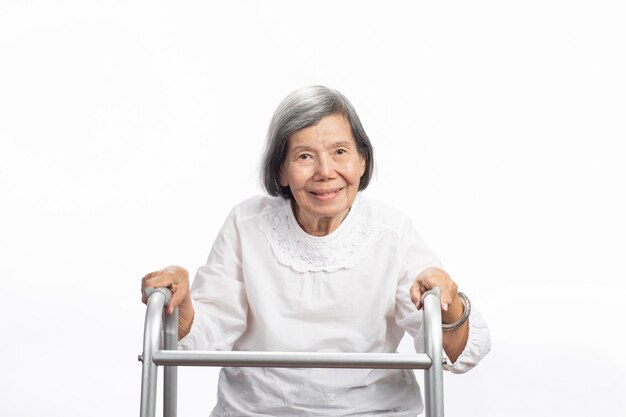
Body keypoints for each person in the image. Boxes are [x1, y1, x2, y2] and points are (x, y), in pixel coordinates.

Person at [141, 85, 491, 416]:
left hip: (371, 411)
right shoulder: (247, 224)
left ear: (362, 161)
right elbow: (209, 330)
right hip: (258, 411)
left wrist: (448, 301)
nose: (326, 172)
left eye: (340, 152)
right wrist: (181, 301)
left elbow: (456, 354)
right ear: (281, 169)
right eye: (305, 156)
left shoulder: (390, 231)